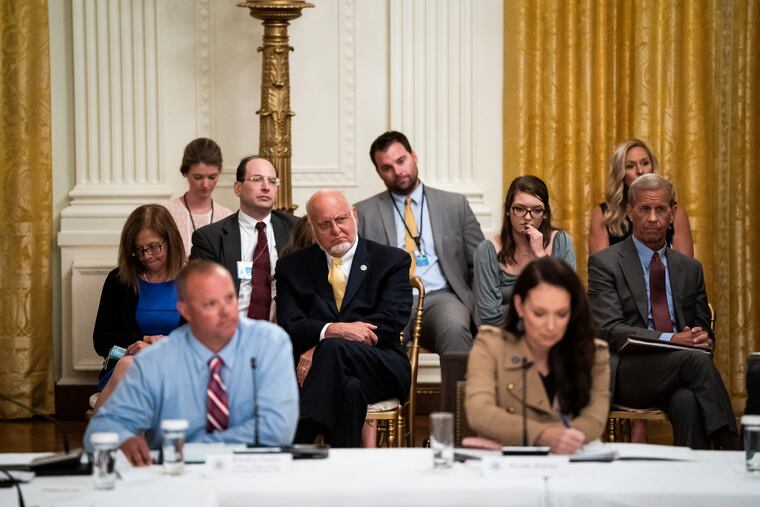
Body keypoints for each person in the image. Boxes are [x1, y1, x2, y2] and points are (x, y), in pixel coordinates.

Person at [84, 260, 299, 465]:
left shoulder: (270, 344)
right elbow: (101, 429)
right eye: (211, 303)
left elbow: (278, 430)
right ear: (186, 311)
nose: (226, 311)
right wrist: (122, 438)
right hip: (178, 480)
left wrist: (189, 448)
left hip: (252, 470)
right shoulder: (155, 360)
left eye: (230, 298)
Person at [588, 174, 739, 449]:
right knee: (694, 362)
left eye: (661, 209)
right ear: (630, 211)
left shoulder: (690, 269)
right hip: (628, 373)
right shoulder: (605, 263)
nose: (653, 218)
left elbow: (704, 332)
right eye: (645, 209)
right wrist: (671, 340)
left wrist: (700, 338)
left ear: (673, 213)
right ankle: (734, 450)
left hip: (681, 372)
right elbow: (611, 331)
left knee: (687, 401)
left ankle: (691, 483)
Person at [276, 189, 412, 447]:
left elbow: (392, 321)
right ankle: (344, 471)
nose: (336, 229)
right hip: (332, 375)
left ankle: (298, 436)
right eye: (325, 224)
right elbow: (290, 325)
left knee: (333, 348)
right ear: (313, 230)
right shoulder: (292, 267)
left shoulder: (391, 260)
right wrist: (335, 330)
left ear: (354, 217)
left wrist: (323, 343)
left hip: (380, 365)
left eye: (341, 219)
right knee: (349, 389)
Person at [355, 131, 484, 354]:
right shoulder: (363, 212)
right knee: (375, 342)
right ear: (378, 172)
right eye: (387, 168)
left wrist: (479, 308)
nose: (397, 171)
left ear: (414, 156)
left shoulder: (455, 205)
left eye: (401, 160)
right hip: (389, 301)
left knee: (455, 329)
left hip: (442, 297)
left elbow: (480, 263)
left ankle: (460, 391)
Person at [465, 257, 609, 453]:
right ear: (519, 306)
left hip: (571, 465)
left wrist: (550, 439)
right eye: (540, 313)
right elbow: (479, 413)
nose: (550, 326)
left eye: (561, 314)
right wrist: (543, 436)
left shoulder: (594, 354)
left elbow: (594, 420)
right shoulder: (491, 345)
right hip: (507, 470)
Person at [92, 204, 185, 410]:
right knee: (129, 366)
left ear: (170, 240)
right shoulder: (119, 280)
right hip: (126, 365)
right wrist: (140, 343)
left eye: (153, 247)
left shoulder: (193, 279)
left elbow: (203, 338)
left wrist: (159, 348)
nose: (146, 256)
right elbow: (101, 341)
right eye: (138, 250)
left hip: (179, 364)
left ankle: (101, 436)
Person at [190, 155, 297, 320]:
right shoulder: (209, 239)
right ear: (238, 188)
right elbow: (201, 299)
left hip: (283, 335)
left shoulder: (295, 230)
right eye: (257, 179)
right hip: (230, 334)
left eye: (272, 181)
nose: (266, 187)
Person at [473, 175, 575, 328]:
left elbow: (568, 300)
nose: (527, 217)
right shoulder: (487, 250)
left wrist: (541, 256)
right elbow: (489, 316)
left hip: (553, 332)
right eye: (519, 209)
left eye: (537, 210)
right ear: (508, 210)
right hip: (505, 336)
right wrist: (540, 312)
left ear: (545, 214)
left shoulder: (561, 241)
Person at [588, 138, 693, 257]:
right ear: (620, 174)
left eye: (645, 163)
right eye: (630, 166)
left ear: (653, 167)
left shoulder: (674, 211)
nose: (640, 170)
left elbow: (685, 270)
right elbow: (601, 270)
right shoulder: (604, 214)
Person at [163, 138, 233, 256]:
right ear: (185, 172)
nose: (205, 185)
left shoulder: (227, 217)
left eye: (212, 177)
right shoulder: (166, 212)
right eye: (198, 177)